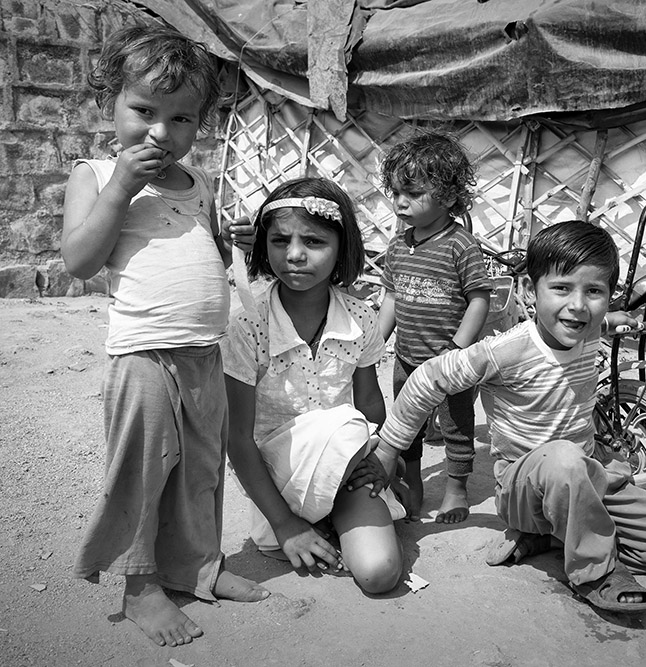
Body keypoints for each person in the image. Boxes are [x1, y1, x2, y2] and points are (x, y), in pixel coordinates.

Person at [367, 221, 646, 615]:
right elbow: (429, 378)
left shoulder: (589, 329)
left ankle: (552, 537)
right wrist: (389, 448)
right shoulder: (506, 352)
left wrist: (614, 321)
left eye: (594, 291)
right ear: (530, 290)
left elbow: (602, 320)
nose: (578, 306)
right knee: (563, 458)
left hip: (586, 478)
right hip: (523, 491)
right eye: (561, 288)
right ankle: (595, 573)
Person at [63, 24, 268, 648]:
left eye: (181, 118)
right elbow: (79, 261)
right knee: (145, 471)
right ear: (110, 104)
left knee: (201, 469)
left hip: (204, 352)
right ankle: (139, 583)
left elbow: (202, 251)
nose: (161, 132)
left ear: (200, 124)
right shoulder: (95, 174)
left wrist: (229, 243)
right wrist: (122, 188)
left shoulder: (199, 181)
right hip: (144, 355)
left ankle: (197, 565)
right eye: (144, 111)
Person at [221, 177, 405, 595]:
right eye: (280, 240)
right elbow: (238, 438)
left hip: (346, 465)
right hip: (280, 479)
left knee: (378, 573)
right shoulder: (248, 325)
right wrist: (285, 524)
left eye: (314, 242)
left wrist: (386, 459)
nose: (294, 255)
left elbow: (370, 402)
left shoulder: (361, 317)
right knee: (284, 541)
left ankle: (339, 513)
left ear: (343, 247)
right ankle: (302, 522)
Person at [377, 132, 493, 524]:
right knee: (405, 424)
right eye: (396, 193)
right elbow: (391, 296)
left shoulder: (461, 245)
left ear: (447, 196)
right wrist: (376, 340)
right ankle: (413, 482)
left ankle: (456, 488)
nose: (400, 202)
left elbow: (479, 299)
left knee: (456, 426)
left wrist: (457, 347)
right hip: (407, 358)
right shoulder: (397, 246)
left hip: (449, 362)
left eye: (412, 193)